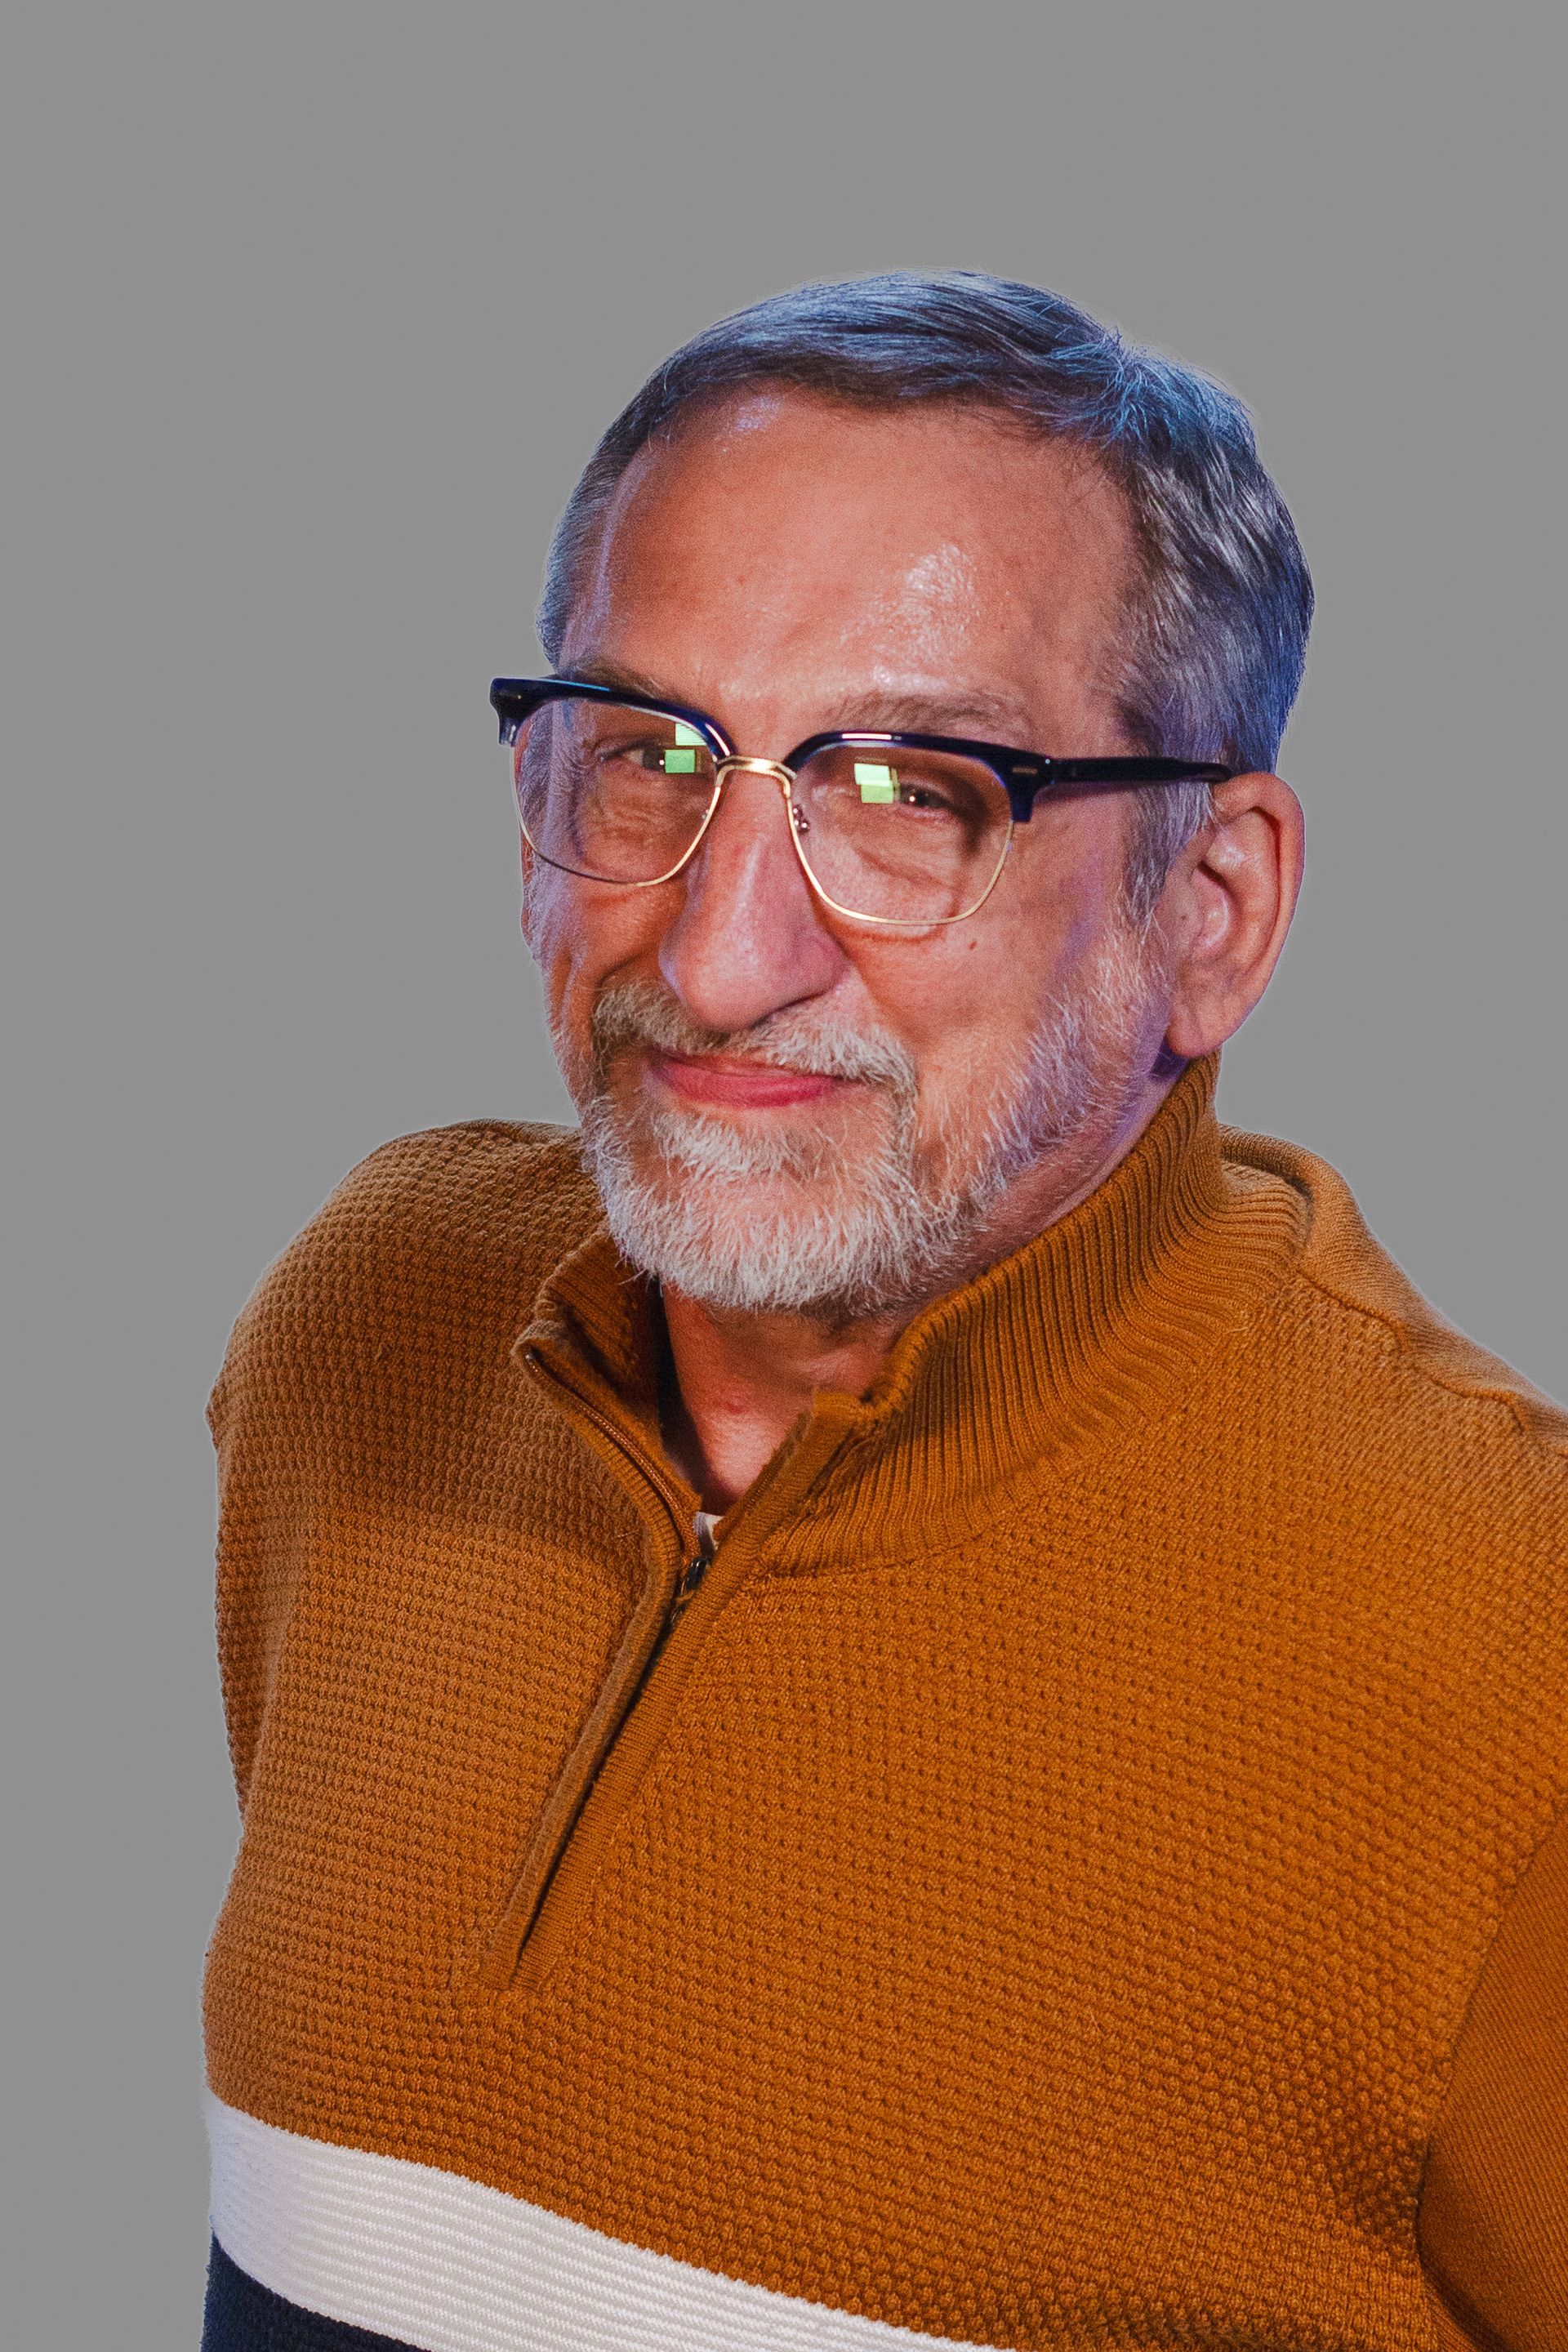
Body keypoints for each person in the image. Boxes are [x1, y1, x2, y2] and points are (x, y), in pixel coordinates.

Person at [200, 273, 1566, 2352]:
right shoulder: (366, 1326)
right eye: (650, 756)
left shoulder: (1509, 1645)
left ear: (1210, 912)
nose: (719, 957)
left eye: (915, 792)